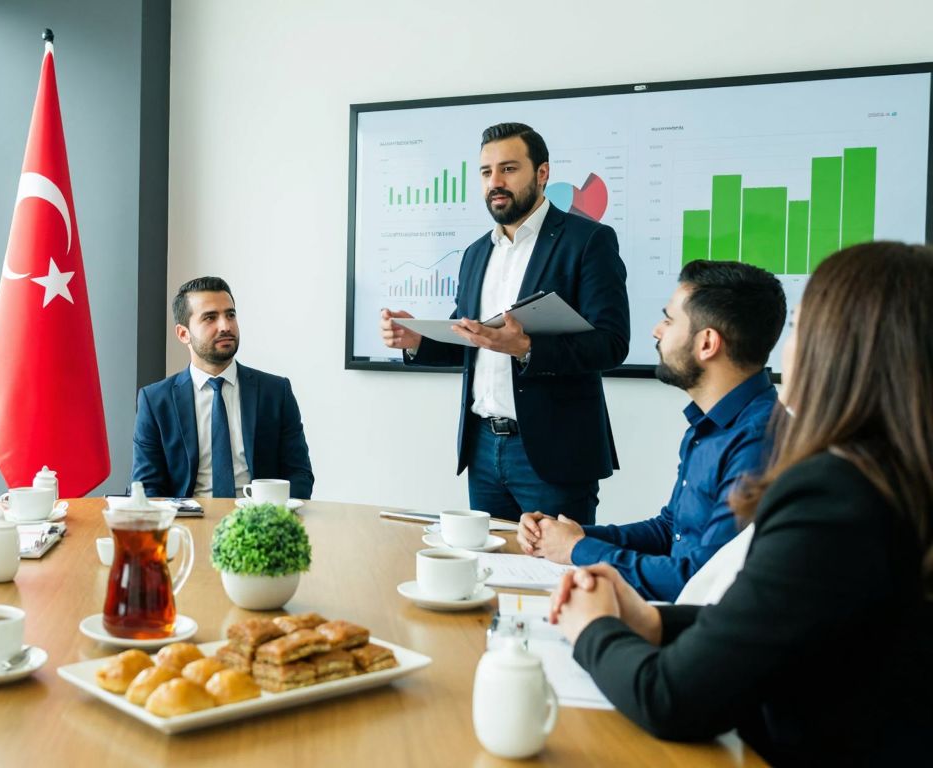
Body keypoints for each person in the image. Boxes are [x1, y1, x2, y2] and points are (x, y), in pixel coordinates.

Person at [550, 241, 933, 765]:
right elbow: (776, 620)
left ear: (841, 351)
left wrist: (593, 626)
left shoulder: (835, 499)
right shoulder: (891, 481)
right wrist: (656, 624)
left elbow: (673, 698)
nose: (784, 348)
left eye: (799, 327)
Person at [380, 122, 629, 524]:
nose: (495, 182)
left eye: (509, 169)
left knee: (555, 580)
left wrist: (527, 348)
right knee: (489, 577)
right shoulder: (476, 253)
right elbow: (474, 340)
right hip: (482, 448)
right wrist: (418, 340)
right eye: (485, 172)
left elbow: (613, 343)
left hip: (555, 454)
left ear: (542, 174)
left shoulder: (587, 241)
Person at [517, 260, 785, 601]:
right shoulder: (709, 426)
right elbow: (669, 530)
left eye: (669, 320)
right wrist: (570, 535)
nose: (657, 330)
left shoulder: (758, 441)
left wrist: (578, 549)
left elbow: (699, 580)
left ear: (707, 344)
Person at [132, 276, 313, 499]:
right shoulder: (155, 400)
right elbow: (147, 487)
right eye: (210, 318)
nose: (225, 326)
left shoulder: (275, 392)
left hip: (259, 522)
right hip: (188, 525)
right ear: (183, 333)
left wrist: (271, 520)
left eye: (230, 315)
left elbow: (299, 474)